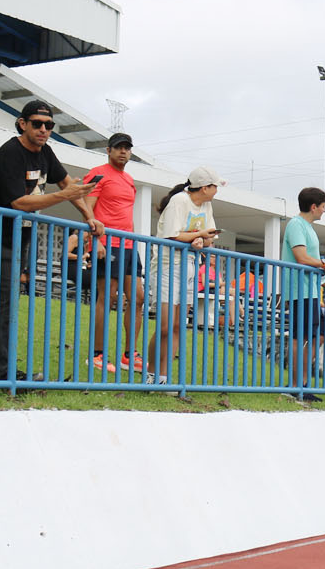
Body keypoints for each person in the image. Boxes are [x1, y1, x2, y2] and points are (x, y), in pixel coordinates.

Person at [0, 101, 101, 382]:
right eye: (37, 123)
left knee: (4, 301)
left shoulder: (46, 152)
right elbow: (20, 202)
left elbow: (68, 184)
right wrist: (65, 196)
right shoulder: (11, 152)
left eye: (49, 125)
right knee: (3, 301)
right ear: (23, 124)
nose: (44, 130)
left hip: (20, 236)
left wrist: (89, 216)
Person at [145, 167, 222, 385]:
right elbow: (173, 234)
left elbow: (210, 237)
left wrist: (201, 241)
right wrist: (197, 236)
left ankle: (164, 377)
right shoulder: (179, 201)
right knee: (165, 326)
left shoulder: (207, 205)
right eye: (215, 186)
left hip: (190, 266)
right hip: (168, 266)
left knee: (178, 326)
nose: (217, 190)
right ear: (205, 187)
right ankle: (151, 373)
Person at [83, 133, 146, 374]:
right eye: (119, 148)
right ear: (108, 150)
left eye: (127, 148)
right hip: (107, 243)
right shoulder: (98, 173)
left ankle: (130, 354)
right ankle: (97, 355)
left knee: (138, 298)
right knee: (106, 297)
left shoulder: (129, 179)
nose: (123, 152)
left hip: (129, 245)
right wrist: (95, 240)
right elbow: (87, 208)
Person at [281, 186, 325, 401]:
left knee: (314, 336)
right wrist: (324, 264)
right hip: (298, 291)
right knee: (300, 338)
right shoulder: (296, 224)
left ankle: (302, 384)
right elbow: (301, 257)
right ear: (314, 207)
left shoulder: (309, 227)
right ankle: (295, 386)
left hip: (310, 291)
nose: (324, 211)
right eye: (323, 207)